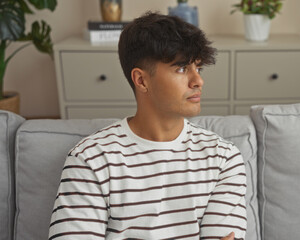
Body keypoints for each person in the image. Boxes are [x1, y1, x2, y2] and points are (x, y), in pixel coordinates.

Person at [48, 11, 247, 240]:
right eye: (182, 68)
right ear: (141, 80)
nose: (198, 81)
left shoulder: (224, 158)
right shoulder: (91, 159)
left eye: (198, 68)